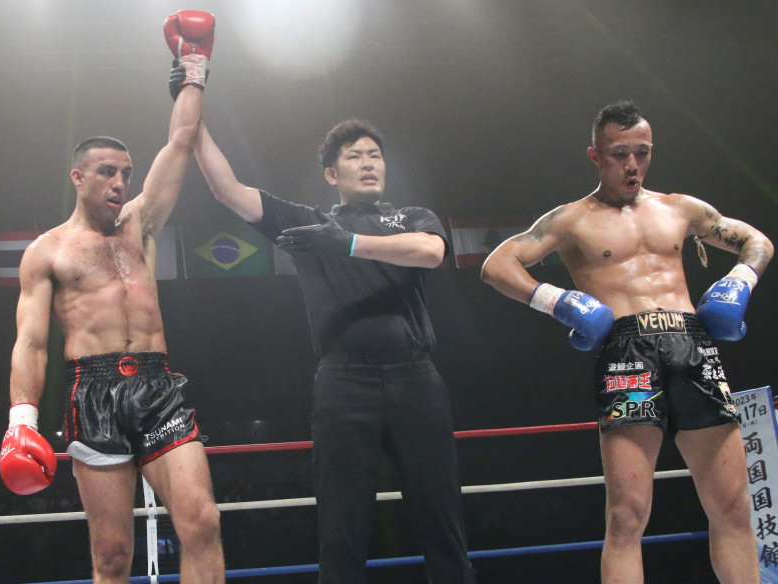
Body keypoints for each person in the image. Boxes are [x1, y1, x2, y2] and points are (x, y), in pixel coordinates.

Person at [481, 100, 773, 583]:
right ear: (596, 155)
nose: (632, 164)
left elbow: (757, 241)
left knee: (733, 506)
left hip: (693, 345)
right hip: (628, 353)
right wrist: (558, 301)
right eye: (620, 154)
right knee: (626, 516)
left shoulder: (680, 207)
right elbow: (497, 265)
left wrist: (740, 280)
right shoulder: (570, 219)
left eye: (643, 152)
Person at [192, 114, 475, 583]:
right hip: (344, 384)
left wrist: (347, 243)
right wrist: (194, 116)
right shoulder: (310, 223)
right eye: (354, 156)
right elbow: (228, 190)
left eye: (375, 155)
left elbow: (432, 252)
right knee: (342, 526)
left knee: (441, 518)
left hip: (415, 378)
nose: (368, 163)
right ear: (331, 173)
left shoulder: (410, 218)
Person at [0, 11, 225, 584]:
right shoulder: (47, 252)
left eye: (125, 173)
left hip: (157, 385)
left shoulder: (140, 224)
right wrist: (21, 419)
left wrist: (193, 68)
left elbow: (180, 142)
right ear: (78, 177)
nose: (120, 183)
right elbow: (31, 342)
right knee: (112, 556)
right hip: (92, 392)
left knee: (202, 522)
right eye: (106, 172)